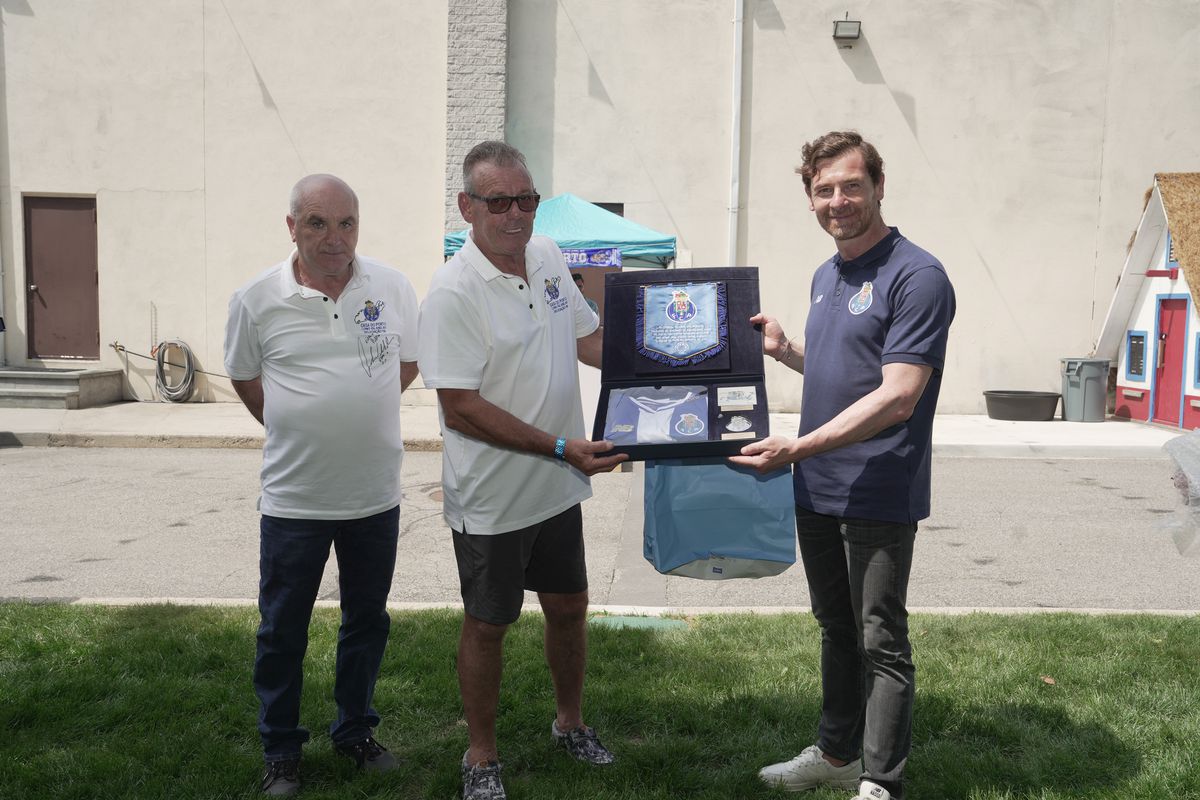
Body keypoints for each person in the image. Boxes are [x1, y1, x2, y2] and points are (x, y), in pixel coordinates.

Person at [730, 132, 955, 800]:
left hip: (878, 486)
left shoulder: (917, 276)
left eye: (852, 186)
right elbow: (849, 371)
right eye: (823, 189)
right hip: (817, 486)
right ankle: (836, 755)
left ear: (879, 187)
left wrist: (797, 447)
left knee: (880, 639)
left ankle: (880, 782)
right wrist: (785, 351)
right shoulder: (826, 275)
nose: (838, 201)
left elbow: (898, 395)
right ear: (810, 198)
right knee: (835, 628)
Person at [418, 141, 627, 800]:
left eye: (526, 199)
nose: (515, 214)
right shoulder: (452, 292)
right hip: (495, 496)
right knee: (489, 625)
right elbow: (461, 409)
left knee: (569, 607)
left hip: (556, 484)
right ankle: (481, 756)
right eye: (499, 202)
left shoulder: (548, 256)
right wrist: (561, 447)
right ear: (467, 207)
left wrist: (684, 360)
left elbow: (588, 340)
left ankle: (570, 724)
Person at [224, 174, 420, 796]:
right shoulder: (257, 298)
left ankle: (354, 732)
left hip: (374, 496)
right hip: (295, 500)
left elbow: (409, 361)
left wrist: (359, 408)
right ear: (292, 227)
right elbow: (245, 376)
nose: (334, 238)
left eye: (346, 223)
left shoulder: (391, 287)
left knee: (366, 623)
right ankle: (281, 750)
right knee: (282, 630)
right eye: (317, 223)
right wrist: (293, 422)